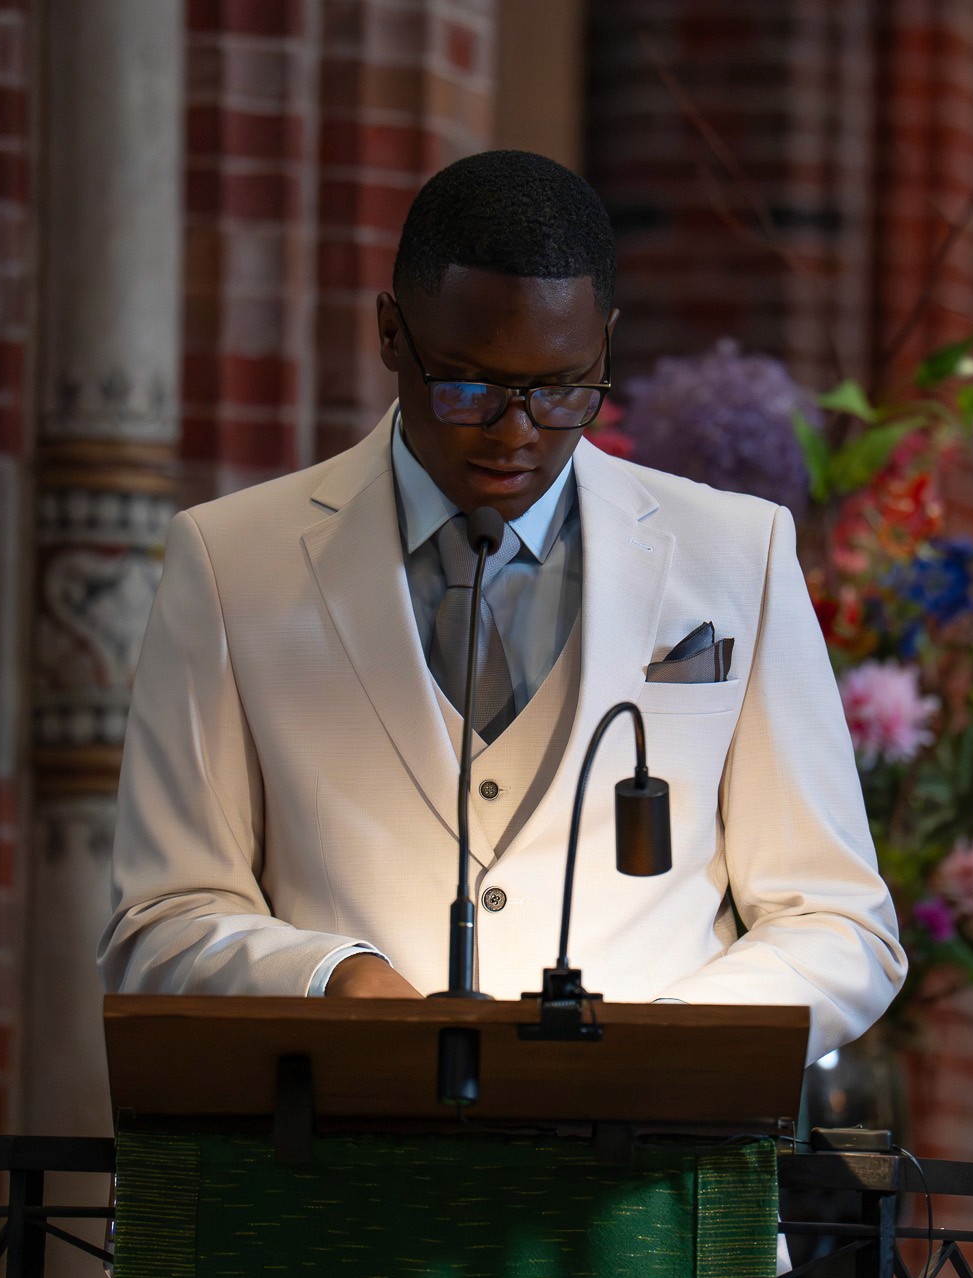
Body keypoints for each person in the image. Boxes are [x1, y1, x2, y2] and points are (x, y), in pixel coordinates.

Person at [100, 149, 904, 1062]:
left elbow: (839, 922)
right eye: (468, 386)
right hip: (349, 1135)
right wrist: (332, 980)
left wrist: (666, 1045)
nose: (515, 433)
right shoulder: (231, 562)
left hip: (648, 1144)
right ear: (391, 334)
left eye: (561, 388)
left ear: (605, 345)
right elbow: (161, 921)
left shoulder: (736, 555)